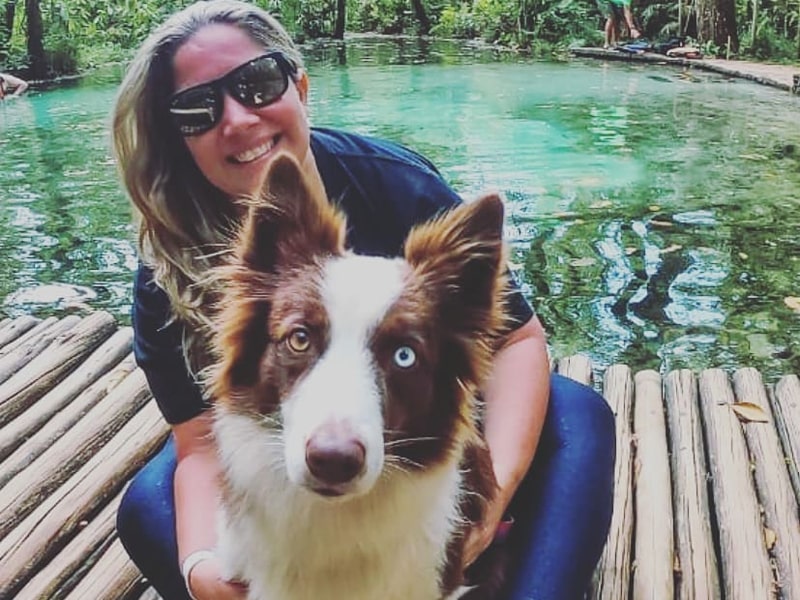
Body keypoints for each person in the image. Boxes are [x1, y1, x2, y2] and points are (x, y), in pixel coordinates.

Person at [112, 2, 616, 599]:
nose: (238, 119)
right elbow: (197, 447)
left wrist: (486, 501)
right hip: (279, 454)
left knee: (579, 416)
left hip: (415, 445)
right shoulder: (165, 265)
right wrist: (201, 571)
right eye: (198, 109)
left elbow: (517, 341)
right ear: (179, 137)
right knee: (148, 504)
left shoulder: (389, 179)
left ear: (301, 85)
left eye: (257, 84)